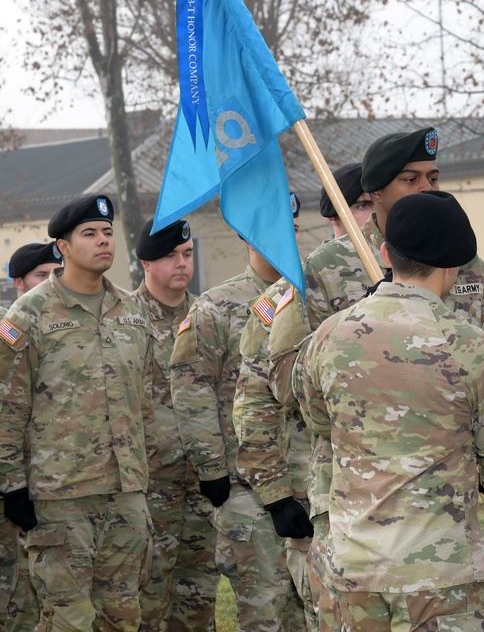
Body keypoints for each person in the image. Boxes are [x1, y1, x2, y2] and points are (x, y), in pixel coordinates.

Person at [264, 128, 484, 629]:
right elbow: (277, 380)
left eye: (433, 177)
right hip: (354, 500)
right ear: (374, 193)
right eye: (410, 179)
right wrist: (274, 489)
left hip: (441, 502)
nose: (426, 189)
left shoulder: (467, 266)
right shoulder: (319, 271)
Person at [0, 195, 155, 631]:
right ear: (63, 248)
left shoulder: (132, 310)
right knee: (68, 618)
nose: (103, 241)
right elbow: (8, 404)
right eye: (89, 234)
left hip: (126, 491)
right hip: (60, 496)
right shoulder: (28, 314)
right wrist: (12, 485)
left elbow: (143, 397)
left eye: (107, 233)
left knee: (123, 614)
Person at [235, 162, 374, 632]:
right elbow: (255, 395)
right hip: (315, 487)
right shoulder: (301, 286)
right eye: (361, 205)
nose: (370, 216)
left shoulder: (422, 272)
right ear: (336, 214)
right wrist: (275, 494)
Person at [170, 194, 307, 632]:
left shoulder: (314, 298)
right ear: (247, 235)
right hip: (248, 490)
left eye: (291, 225)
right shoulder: (216, 306)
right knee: (265, 613)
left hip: (314, 484)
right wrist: (214, 474)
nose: (286, 234)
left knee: (318, 613)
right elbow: (191, 391)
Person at [132, 219, 220, 631]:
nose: (182, 264)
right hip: (151, 483)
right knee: (145, 595)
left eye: (186, 254)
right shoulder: (126, 321)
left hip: (203, 480)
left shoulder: (207, 315)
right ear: (146, 263)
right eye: (170, 256)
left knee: (199, 593)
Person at [0, 242, 60, 629]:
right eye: (42, 275)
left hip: (43, 477)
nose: (52, 282)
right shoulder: (9, 331)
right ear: (18, 283)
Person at [319, 162, 375, 238]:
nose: (376, 213)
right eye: (363, 206)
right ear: (333, 217)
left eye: (379, 204)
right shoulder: (326, 250)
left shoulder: (389, 249)